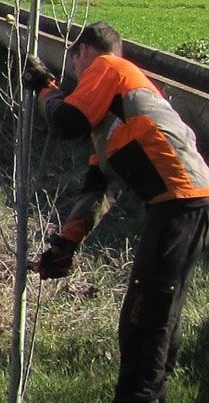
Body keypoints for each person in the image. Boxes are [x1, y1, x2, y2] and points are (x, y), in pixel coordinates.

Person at [24, 21, 209, 402]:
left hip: (180, 205)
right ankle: (151, 393)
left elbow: (67, 122)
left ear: (84, 53)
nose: (79, 78)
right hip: (187, 204)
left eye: (77, 66)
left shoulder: (108, 66)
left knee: (143, 323)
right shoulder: (117, 117)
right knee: (159, 313)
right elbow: (99, 190)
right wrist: (65, 245)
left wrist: (45, 88)